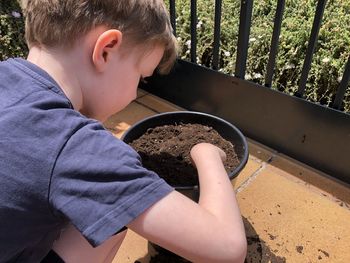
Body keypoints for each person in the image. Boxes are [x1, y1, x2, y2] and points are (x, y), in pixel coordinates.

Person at [0, 0, 247, 262]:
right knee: (113, 216)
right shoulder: (73, 146)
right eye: (140, 77)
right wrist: (206, 154)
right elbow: (227, 249)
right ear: (106, 50)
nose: (133, 94)